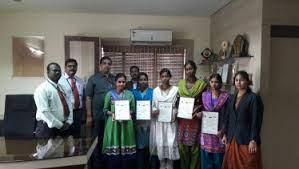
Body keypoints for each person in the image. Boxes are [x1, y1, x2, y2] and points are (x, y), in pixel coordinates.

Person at [222, 71, 263, 169]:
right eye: (236, 80)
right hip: (232, 138)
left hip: (246, 140)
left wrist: (253, 140)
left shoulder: (253, 98)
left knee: (248, 165)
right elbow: (228, 117)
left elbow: (256, 120)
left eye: (242, 80)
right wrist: (225, 134)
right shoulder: (231, 97)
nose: (238, 83)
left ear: (247, 81)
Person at [85, 56, 115, 169]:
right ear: (100, 65)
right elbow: (88, 98)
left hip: (112, 116)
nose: (107, 65)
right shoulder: (93, 79)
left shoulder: (114, 78)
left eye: (109, 63)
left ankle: (108, 163)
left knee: (110, 139)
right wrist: (89, 116)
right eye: (104, 63)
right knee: (97, 140)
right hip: (98, 116)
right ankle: (97, 165)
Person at [102, 73, 136, 169]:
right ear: (115, 82)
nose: (121, 84)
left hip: (126, 124)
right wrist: (113, 114)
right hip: (113, 124)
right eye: (119, 82)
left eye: (123, 82)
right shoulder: (109, 94)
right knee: (114, 146)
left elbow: (133, 109)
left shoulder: (130, 94)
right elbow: (105, 109)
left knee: (126, 148)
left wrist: (128, 112)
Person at [177, 60, 207, 169]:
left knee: (195, 147)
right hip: (183, 120)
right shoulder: (180, 84)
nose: (189, 71)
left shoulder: (202, 85)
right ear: (185, 71)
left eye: (191, 68)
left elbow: (205, 101)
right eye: (187, 69)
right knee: (182, 147)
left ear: (195, 69)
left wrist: (200, 112)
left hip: (196, 119)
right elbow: (177, 101)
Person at [150, 68, 180, 169]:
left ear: (170, 77)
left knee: (171, 143)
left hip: (171, 121)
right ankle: (162, 165)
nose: (164, 78)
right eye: (162, 76)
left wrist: (175, 114)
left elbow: (178, 106)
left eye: (166, 76)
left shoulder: (176, 90)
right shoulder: (155, 91)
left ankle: (170, 165)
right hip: (160, 122)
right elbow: (154, 105)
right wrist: (154, 111)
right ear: (160, 77)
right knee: (161, 142)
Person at [34, 62, 73, 138]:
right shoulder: (42, 89)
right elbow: (45, 111)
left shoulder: (62, 88)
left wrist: (69, 121)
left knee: (63, 150)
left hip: (63, 127)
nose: (57, 72)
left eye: (59, 70)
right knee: (49, 150)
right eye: (54, 70)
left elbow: (69, 104)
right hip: (47, 128)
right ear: (48, 72)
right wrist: (60, 125)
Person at [200, 74, 229, 169]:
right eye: (212, 82)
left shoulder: (226, 97)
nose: (214, 84)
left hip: (219, 133)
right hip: (206, 132)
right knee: (206, 162)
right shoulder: (204, 95)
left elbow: (227, 116)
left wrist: (223, 131)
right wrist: (200, 114)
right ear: (209, 83)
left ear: (220, 83)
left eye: (216, 82)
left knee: (218, 162)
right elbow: (202, 110)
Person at [132, 72, 154, 169]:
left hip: (150, 123)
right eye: (141, 79)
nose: (143, 81)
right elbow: (132, 108)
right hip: (137, 124)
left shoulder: (152, 92)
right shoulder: (133, 92)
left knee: (149, 147)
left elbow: (155, 106)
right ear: (138, 81)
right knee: (139, 147)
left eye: (145, 79)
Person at [59, 58, 85, 137]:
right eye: (69, 66)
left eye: (74, 66)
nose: (72, 68)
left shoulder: (80, 81)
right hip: (66, 113)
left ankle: (75, 150)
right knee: (65, 136)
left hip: (78, 113)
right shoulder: (59, 81)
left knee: (77, 136)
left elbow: (82, 97)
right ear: (65, 67)